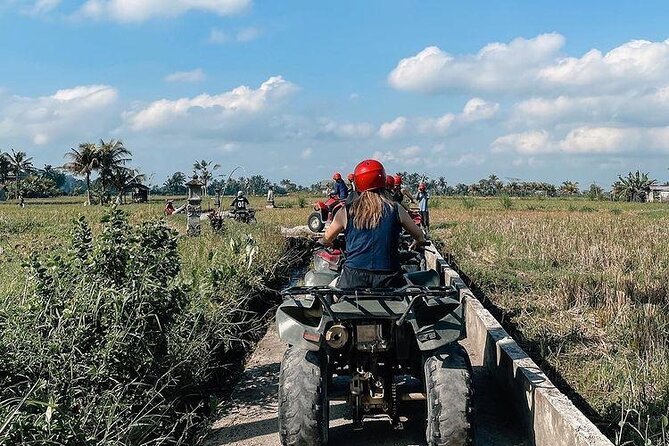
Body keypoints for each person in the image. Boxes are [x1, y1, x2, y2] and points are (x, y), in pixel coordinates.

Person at [321, 159, 426, 289]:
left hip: (353, 277)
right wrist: (418, 242)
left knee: (330, 290)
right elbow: (420, 236)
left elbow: (326, 238)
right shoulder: (396, 209)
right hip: (390, 277)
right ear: (383, 180)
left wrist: (329, 242)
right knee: (412, 291)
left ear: (358, 182)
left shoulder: (346, 211)